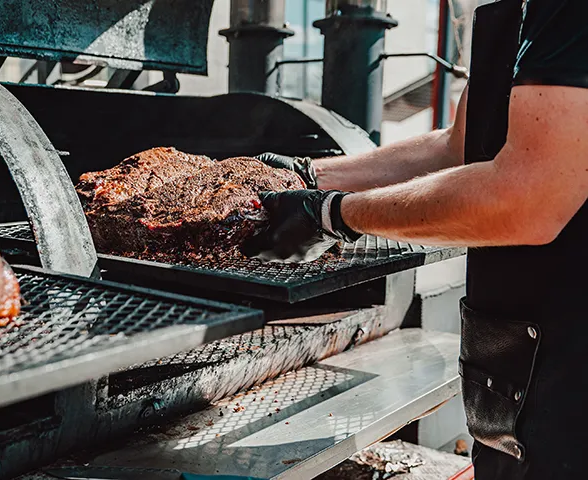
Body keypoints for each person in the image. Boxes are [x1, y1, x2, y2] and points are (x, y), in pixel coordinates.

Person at [249, 0, 588, 478]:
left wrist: (331, 216)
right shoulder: (523, 14)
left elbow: (527, 197)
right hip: (523, 378)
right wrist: (313, 176)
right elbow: (459, 144)